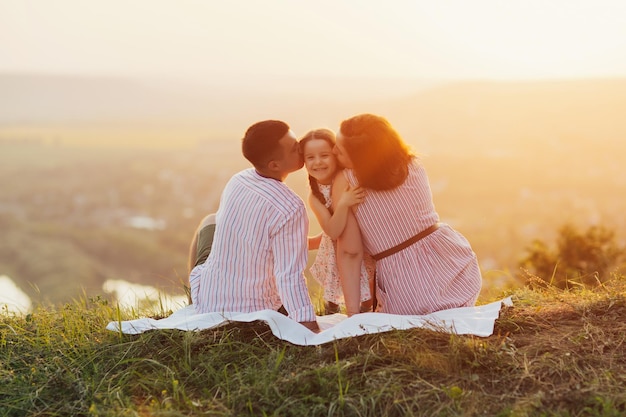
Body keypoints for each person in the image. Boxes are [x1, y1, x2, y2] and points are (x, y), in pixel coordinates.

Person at [332, 114, 482, 315]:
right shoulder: (412, 164)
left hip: (406, 285)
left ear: (358, 157)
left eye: (339, 150)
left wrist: (353, 315)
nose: (333, 152)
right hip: (454, 266)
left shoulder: (346, 181)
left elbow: (350, 252)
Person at [187, 120, 320, 332]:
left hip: (209, 301)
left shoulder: (238, 180)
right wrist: (309, 327)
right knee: (212, 221)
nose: (302, 149)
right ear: (274, 165)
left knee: (210, 221)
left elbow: (258, 238)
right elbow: (289, 274)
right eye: (295, 148)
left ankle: (193, 301)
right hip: (253, 310)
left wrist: (313, 242)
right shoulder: (290, 206)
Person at [299, 129, 374, 316]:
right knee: (337, 279)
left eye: (324, 155)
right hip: (335, 246)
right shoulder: (314, 196)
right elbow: (332, 231)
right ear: (304, 162)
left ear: (335, 155)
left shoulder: (348, 177)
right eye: (310, 157)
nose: (317, 162)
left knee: (367, 282)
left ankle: (367, 310)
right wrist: (343, 204)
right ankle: (331, 309)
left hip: (362, 241)